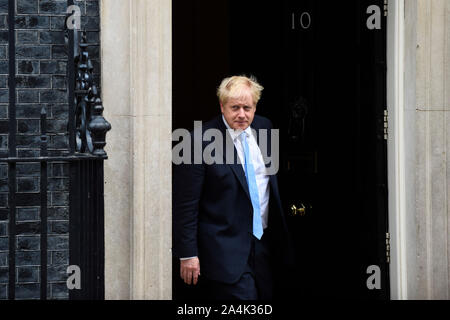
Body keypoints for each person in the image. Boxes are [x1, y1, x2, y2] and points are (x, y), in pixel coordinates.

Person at [173, 75, 294, 300]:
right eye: (234, 107)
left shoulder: (265, 128)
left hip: (264, 246)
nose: (241, 114)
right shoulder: (197, 141)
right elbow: (185, 205)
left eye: (247, 108)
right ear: (222, 106)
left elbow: (270, 186)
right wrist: (187, 254)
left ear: (255, 106)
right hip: (224, 250)